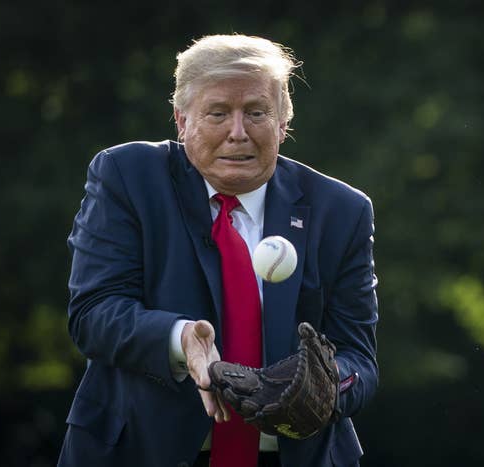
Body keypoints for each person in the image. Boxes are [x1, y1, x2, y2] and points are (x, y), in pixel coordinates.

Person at [57, 34, 378, 467]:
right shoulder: (128, 176)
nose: (238, 133)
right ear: (181, 120)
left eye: (257, 112)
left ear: (284, 121)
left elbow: (359, 359)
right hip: (141, 451)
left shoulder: (342, 211)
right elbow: (93, 313)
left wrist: (325, 386)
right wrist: (180, 337)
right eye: (218, 113)